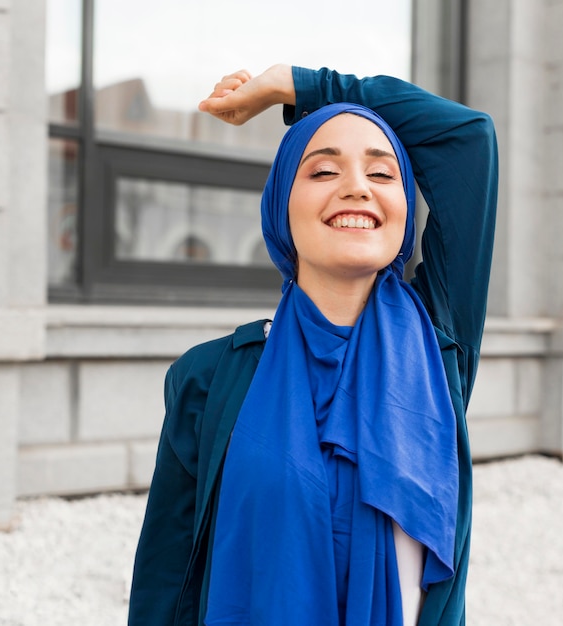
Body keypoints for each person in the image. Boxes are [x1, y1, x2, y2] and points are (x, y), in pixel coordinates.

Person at [128, 64, 498, 626]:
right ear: (282, 204)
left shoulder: (437, 349)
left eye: (383, 173)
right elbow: (166, 577)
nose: (357, 186)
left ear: (404, 210)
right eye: (323, 170)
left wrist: (298, 86)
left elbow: (468, 138)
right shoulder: (209, 379)